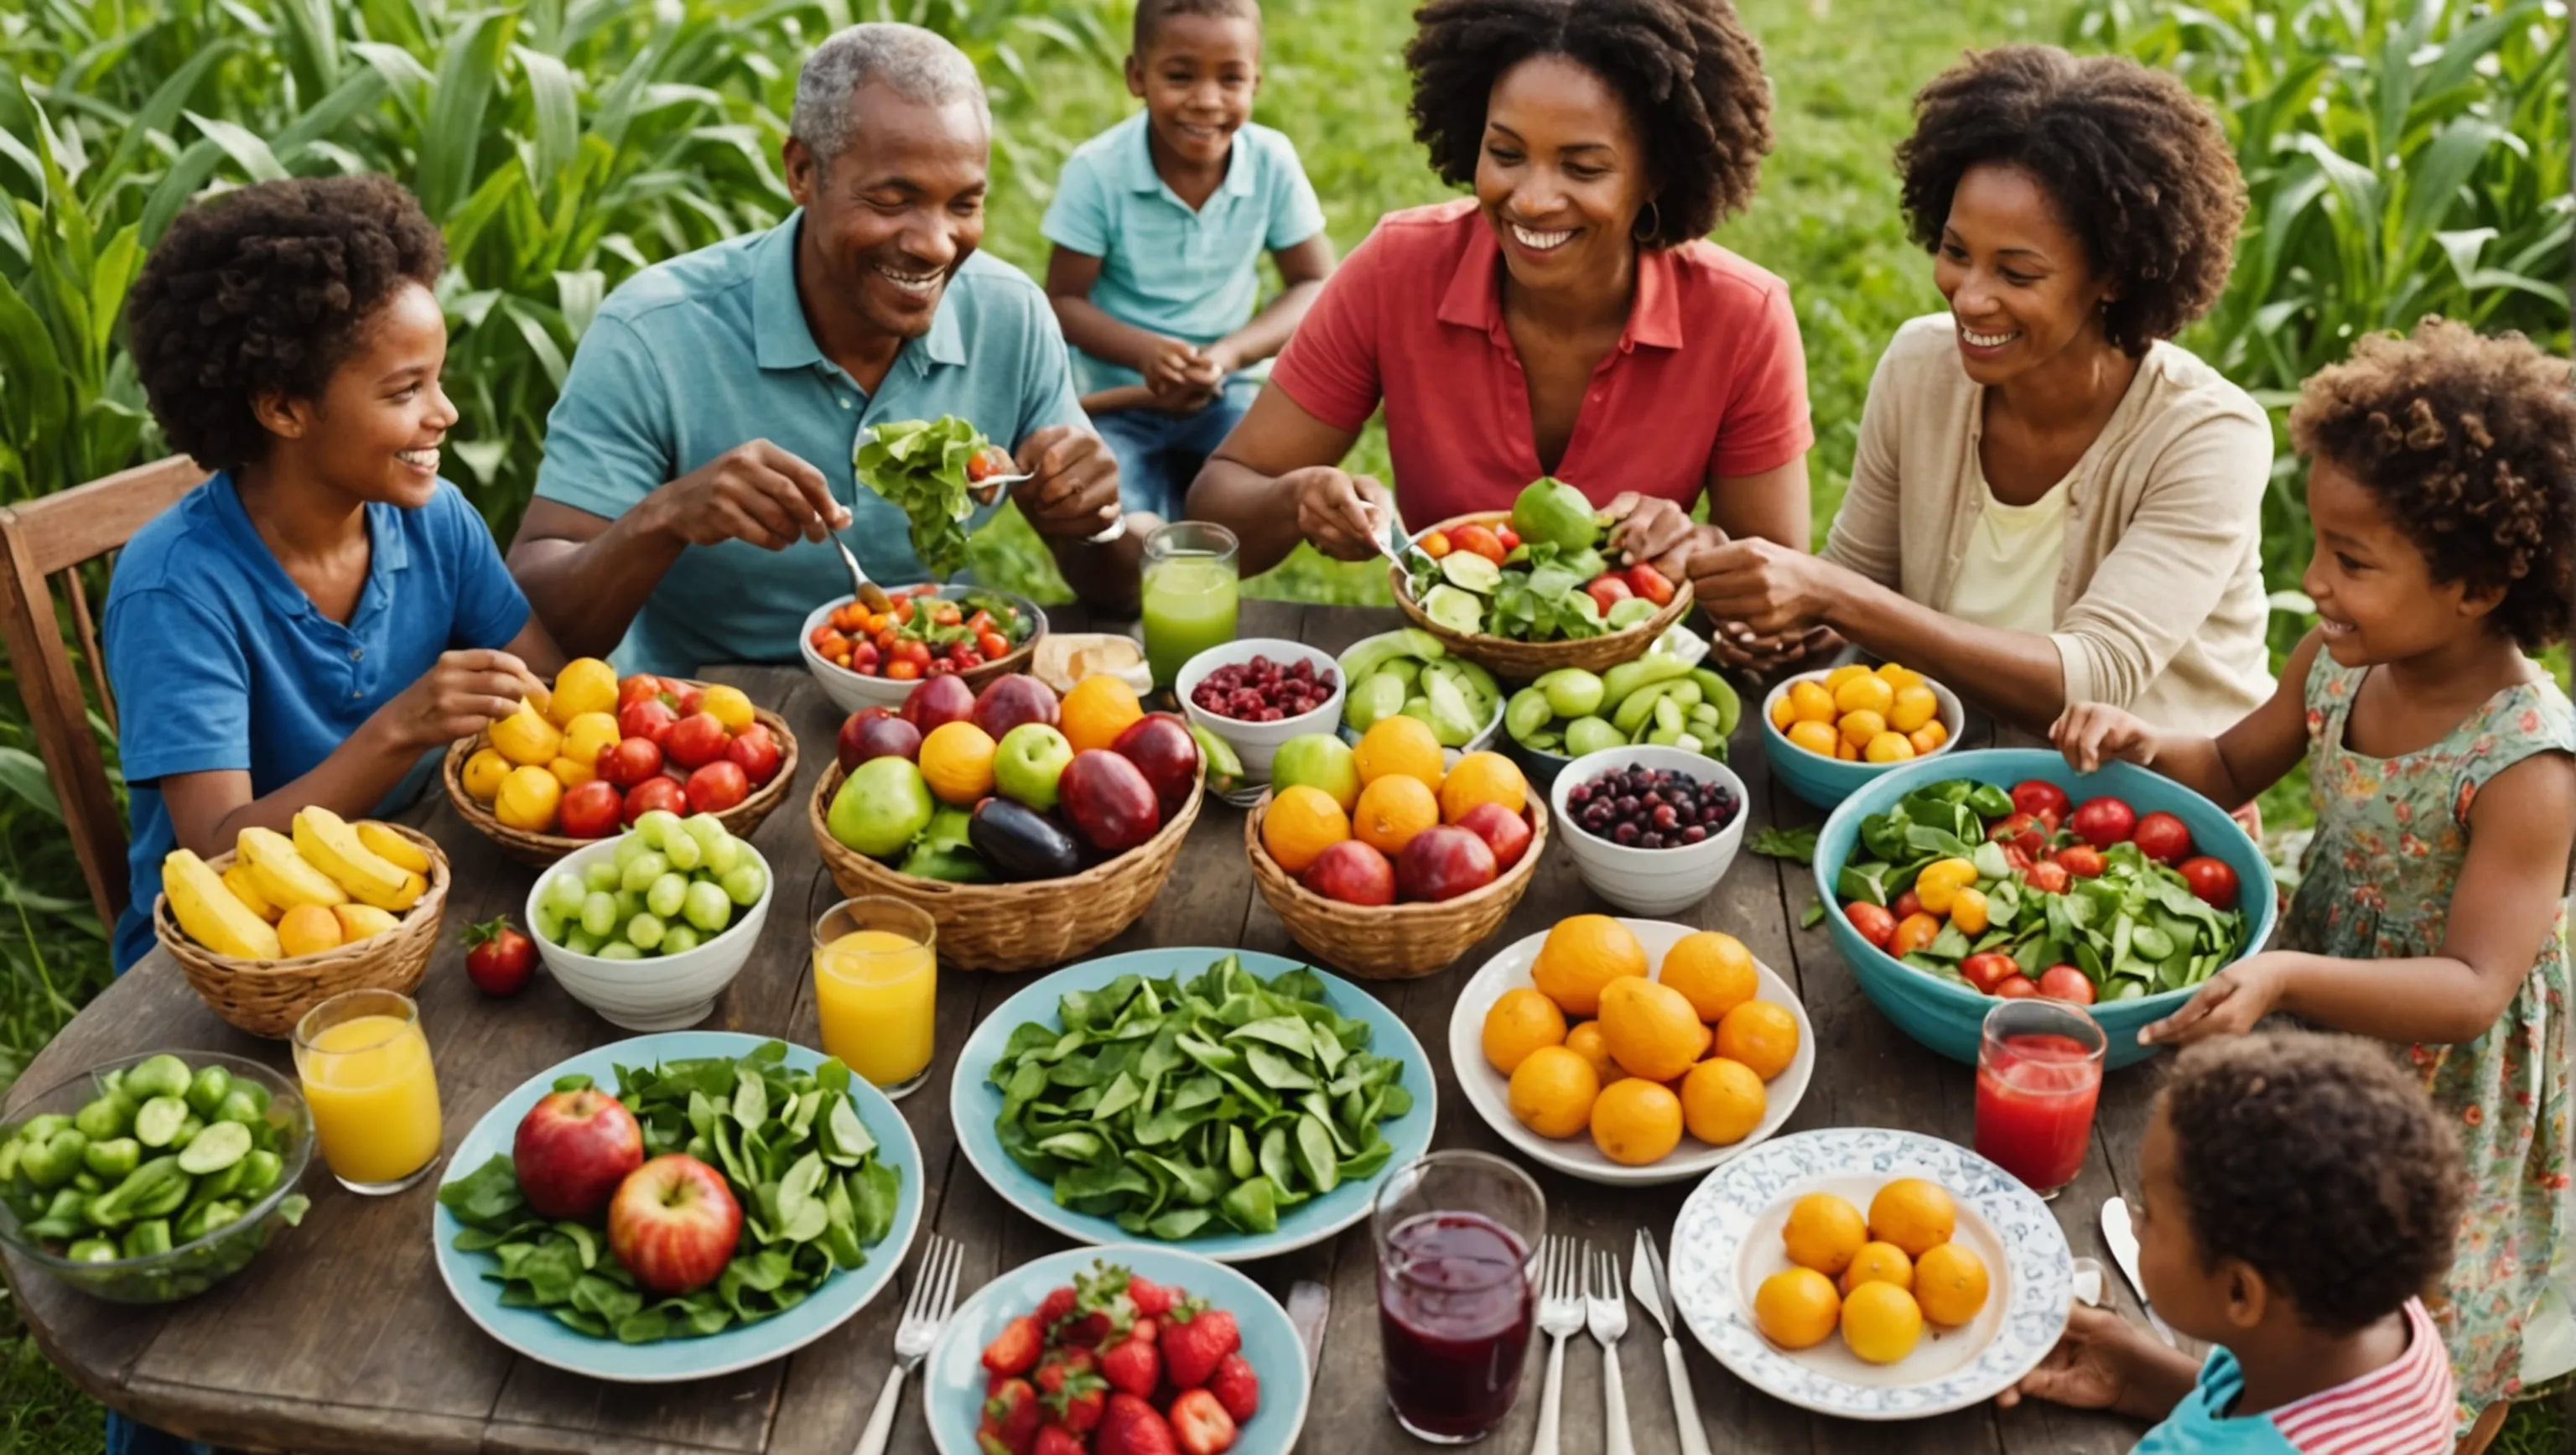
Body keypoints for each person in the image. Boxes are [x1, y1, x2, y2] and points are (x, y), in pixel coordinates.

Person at [102, 174, 561, 1455]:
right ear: (283, 404)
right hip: (224, 990)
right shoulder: (179, 586)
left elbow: (545, 684)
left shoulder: (427, 519)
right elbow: (212, 852)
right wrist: (404, 725)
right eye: (406, 389)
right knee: (249, 1289)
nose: (445, 414)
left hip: (409, 917)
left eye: (440, 376)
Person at [2054, 319, 2576, 1443]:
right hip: (2322, 987)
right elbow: (2232, 763)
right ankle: (2252, 1399)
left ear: (2479, 583)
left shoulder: (2527, 762)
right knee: (2292, 1251)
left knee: (2417, 1270)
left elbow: (2478, 982)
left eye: (2351, 557)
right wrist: (2144, 742)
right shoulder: (2341, 659)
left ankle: (2427, 1424)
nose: (2312, 580)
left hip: (2447, 1066)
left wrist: (2287, 966)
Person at [507, 23, 1139, 677]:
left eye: (964, 204)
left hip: (932, 699)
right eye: (894, 199)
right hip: (713, 726)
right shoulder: (652, 333)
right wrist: (664, 517)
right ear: (802, 172)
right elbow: (532, 624)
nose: (936, 244)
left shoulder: (1007, 316)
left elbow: (1114, 590)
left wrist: (1095, 520)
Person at [1690, 45, 2274, 725]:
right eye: (1956, 252)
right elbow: (1859, 577)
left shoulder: (2206, 434)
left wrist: (1834, 598)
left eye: (2016, 274)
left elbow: (2099, 674)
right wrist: (1791, 624)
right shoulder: (1921, 367)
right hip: (1950, 776)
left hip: (2144, 808)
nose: (1969, 298)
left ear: (2114, 275)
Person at [1186, 0, 1811, 591]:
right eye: (1506, 153)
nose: (1533, 199)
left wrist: (1697, 548)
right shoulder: (1398, 271)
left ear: (1656, 174)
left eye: (1583, 168)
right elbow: (1218, 507)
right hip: (1443, 687)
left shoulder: (1742, 316)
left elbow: (1784, 587)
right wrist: (1294, 499)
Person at [2001, 1031, 2464, 1452]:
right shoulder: (2384, 1318)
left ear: (2240, 1292)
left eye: (2151, 1213)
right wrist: (2139, 1376)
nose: (2136, 1223)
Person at [1042, 0, 1336, 522]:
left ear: (1256, 84)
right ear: (1137, 76)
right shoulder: (1097, 172)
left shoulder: (1271, 164)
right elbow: (1063, 301)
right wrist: (1144, 353)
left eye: (1230, 79)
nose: (1206, 101)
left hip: (1223, 392)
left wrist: (1228, 354)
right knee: (1121, 524)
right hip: (1117, 397)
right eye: (1180, 76)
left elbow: (1314, 282)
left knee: (1250, 505)